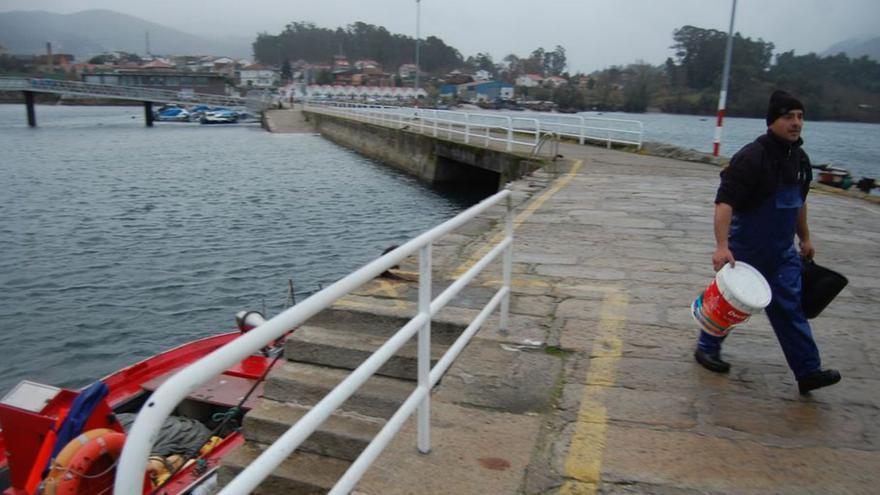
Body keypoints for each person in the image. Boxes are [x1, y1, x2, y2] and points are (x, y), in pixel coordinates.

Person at [694, 90, 842, 395]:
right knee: (730, 304)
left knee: (791, 310)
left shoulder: (800, 160)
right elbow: (724, 203)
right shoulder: (751, 157)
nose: (796, 123)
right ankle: (706, 347)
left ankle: (808, 371)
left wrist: (806, 237)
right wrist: (722, 246)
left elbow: (799, 202)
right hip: (747, 249)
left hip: (783, 253)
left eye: (800, 117)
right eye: (789, 117)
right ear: (772, 121)